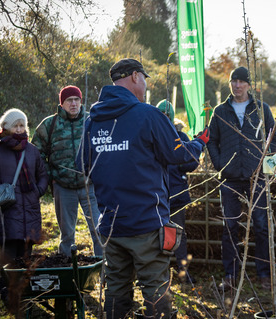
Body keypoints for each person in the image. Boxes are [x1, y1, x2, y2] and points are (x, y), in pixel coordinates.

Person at [77, 58, 208, 319]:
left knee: (116, 290)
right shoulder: (148, 115)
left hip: (111, 226)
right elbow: (183, 158)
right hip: (146, 224)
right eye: (145, 78)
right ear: (136, 76)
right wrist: (198, 143)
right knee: (156, 291)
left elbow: (82, 165)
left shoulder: (92, 121)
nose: (146, 85)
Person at [207, 66, 276, 291]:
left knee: (261, 225)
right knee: (230, 226)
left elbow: (273, 139)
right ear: (230, 84)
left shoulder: (261, 109)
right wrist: (220, 164)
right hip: (229, 178)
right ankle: (230, 274)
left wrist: (266, 167)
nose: (237, 85)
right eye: (233, 81)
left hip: (256, 177)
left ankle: (264, 274)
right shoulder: (220, 111)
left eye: (241, 81)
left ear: (249, 85)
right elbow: (211, 140)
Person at [0, 108, 48, 298]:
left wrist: (38, 191)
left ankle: (23, 290)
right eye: (15, 125)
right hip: (7, 210)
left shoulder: (31, 150)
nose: (18, 129)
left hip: (30, 210)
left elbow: (42, 175)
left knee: (26, 253)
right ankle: (7, 291)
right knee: (8, 254)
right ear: (6, 126)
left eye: (22, 125)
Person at [32, 85, 102, 257]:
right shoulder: (49, 124)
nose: (73, 104)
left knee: (99, 229)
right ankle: (66, 266)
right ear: (61, 104)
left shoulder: (91, 121)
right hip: (62, 187)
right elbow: (36, 154)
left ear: (81, 101)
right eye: (69, 100)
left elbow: (103, 147)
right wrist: (51, 177)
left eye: (77, 100)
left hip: (90, 186)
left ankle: (103, 268)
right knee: (67, 234)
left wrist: (98, 173)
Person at [156, 99, 199, 284]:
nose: (165, 118)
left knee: (178, 233)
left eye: (167, 115)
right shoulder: (152, 135)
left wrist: (178, 162)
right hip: (158, 196)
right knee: (158, 235)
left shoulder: (182, 138)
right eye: (162, 115)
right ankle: (161, 274)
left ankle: (183, 272)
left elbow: (192, 162)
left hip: (177, 195)